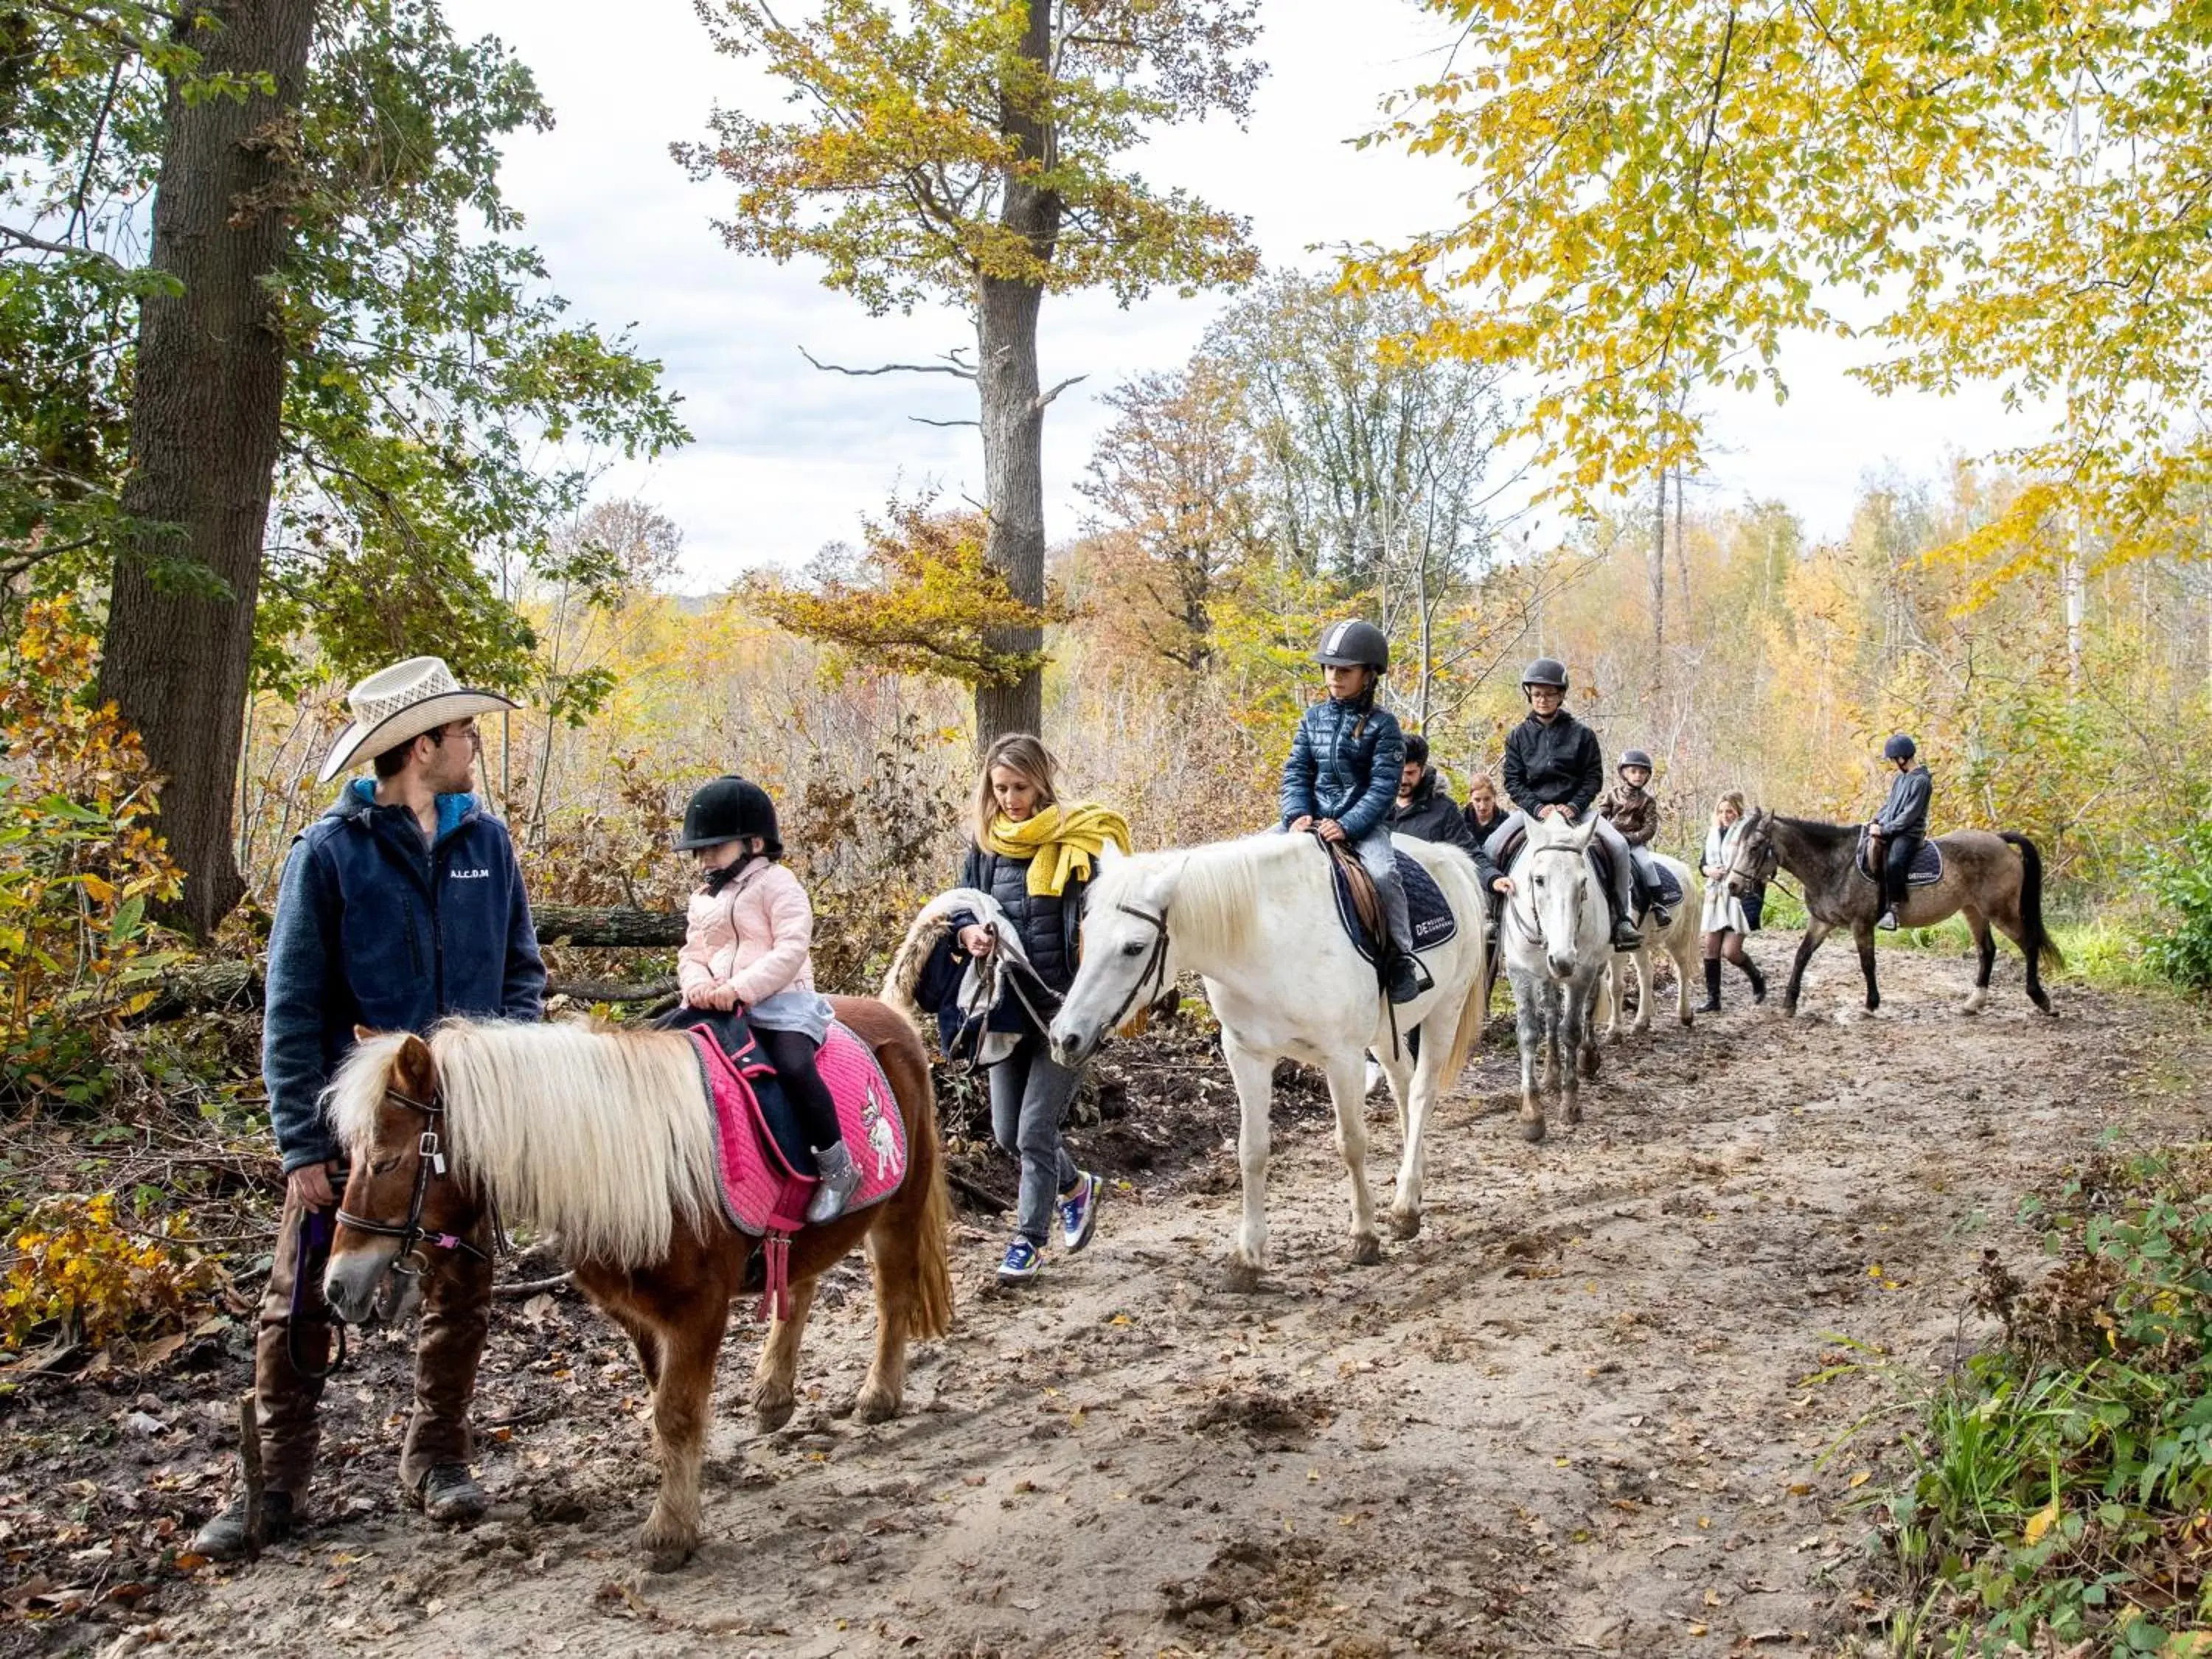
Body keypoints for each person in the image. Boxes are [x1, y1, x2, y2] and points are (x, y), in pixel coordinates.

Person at [195, 656, 546, 1559]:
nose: (474, 742)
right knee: (302, 1295)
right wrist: (302, 1144)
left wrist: (509, 1089)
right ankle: (273, 1485)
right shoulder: (331, 852)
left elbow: (520, 976)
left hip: (468, 1116)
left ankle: (437, 1459)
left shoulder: (487, 845)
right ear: (421, 746)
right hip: (366, 1124)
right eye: (462, 730)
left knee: (462, 1288)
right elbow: (295, 1005)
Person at [950, 734, 1130, 1284]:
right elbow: (961, 905)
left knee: (1033, 1130)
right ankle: (1076, 1187)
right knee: (1007, 1133)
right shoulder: (984, 846)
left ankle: (1027, 1241)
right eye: (1000, 788)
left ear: (1041, 782)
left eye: (1020, 787)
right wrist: (969, 934)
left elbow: (1112, 917)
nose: (1009, 798)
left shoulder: (1081, 841)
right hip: (1007, 1008)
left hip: (1065, 1011)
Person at [659, 776, 856, 1224]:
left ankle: (837, 1165)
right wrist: (696, 986)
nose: (704, 857)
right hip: (719, 1005)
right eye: (700, 850)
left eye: (715, 846)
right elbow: (692, 953)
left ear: (753, 842)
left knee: (793, 1065)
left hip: (781, 1003)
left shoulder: (779, 884)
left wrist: (738, 989)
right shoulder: (703, 898)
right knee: (660, 1047)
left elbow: (791, 949)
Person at [1281, 619, 1429, 1002]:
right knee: (1251, 856)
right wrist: (1296, 814)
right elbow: (1296, 771)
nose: (1334, 677)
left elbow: (1383, 788)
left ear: (1369, 675)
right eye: (1330, 668)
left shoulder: (1385, 726)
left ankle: (1401, 958)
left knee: (1383, 874)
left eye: (1345, 670)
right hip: (1310, 821)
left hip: (1362, 828)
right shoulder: (1311, 719)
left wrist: (1347, 825)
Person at [1497, 658, 1644, 950]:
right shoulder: (1517, 736)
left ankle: (1621, 918)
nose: (1543, 700)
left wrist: (1574, 806)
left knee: (1618, 846)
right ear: (1529, 694)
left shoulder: (1582, 735)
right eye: (1537, 694)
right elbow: (1513, 781)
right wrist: (1538, 808)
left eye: (1550, 694)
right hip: (1534, 812)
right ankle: (1491, 918)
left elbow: (1593, 778)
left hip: (1575, 810)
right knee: (1492, 846)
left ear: (1562, 696)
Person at [1697, 791, 1767, 1012]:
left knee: (1731, 952)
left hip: (1741, 896)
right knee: (1710, 948)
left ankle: (1757, 978)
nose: (1725, 815)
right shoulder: (1713, 834)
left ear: (1738, 811)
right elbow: (1703, 864)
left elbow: (1759, 866)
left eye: (1730, 811)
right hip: (1716, 895)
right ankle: (1713, 999)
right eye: (1721, 811)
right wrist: (1709, 870)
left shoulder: (1749, 834)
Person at [1597, 748, 1675, 928]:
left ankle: (1659, 904)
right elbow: (1601, 817)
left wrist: (1632, 838)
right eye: (1633, 771)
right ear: (1624, 773)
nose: (1638, 776)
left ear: (1647, 776)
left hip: (1634, 843)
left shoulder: (1647, 801)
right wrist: (1604, 834)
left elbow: (1650, 827)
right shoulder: (1612, 795)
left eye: (1642, 772)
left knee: (1647, 865)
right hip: (1612, 841)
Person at [1869, 734, 1932, 931]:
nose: (1892, 764)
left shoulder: (1921, 781)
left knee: (1895, 862)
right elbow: (1890, 805)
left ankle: (1893, 910)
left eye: (1893, 760)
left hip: (1909, 833)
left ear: (1903, 758)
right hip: (1892, 828)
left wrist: (1885, 829)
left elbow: (1909, 816)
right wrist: (1876, 820)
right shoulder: (1900, 779)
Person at [1385, 733, 1481, 856]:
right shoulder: (1371, 806)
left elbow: (1469, 853)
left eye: (1410, 773)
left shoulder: (1444, 810)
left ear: (1423, 770)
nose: (1402, 780)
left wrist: (1493, 876)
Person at [1462, 771, 1509, 847]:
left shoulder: (1505, 821)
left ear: (1494, 797)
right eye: (1477, 800)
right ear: (1470, 798)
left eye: (1487, 799)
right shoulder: (1460, 821)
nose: (1482, 806)